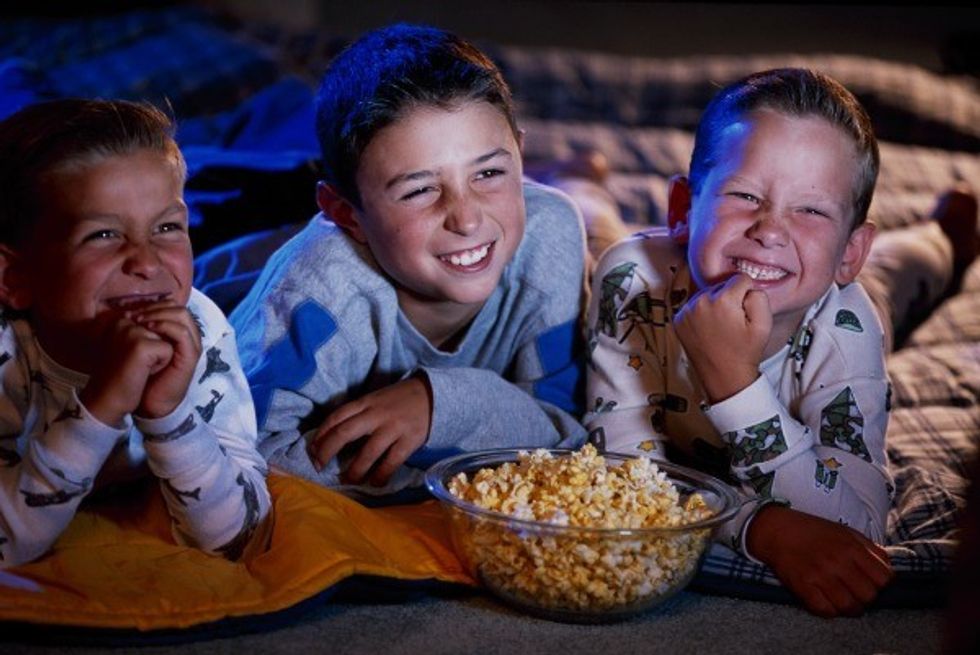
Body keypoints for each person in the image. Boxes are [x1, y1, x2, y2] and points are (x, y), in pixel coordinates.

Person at [584, 67, 976, 617]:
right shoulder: (629, 283)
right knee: (594, 229)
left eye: (811, 209)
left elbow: (856, 528)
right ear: (683, 209)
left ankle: (945, 234)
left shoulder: (846, 328)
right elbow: (620, 476)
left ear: (849, 253)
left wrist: (734, 385)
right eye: (744, 194)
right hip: (664, 261)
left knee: (903, 272)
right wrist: (757, 527)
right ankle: (582, 179)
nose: (769, 230)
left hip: (840, 301)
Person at [229, 24, 588, 496]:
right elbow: (238, 461)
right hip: (241, 262)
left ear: (519, 156)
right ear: (346, 214)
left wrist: (443, 406)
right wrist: (449, 464)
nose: (466, 219)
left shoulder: (551, 235)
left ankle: (580, 173)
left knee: (592, 213)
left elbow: (569, 436)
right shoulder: (315, 295)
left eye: (489, 172)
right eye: (419, 190)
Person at [0, 99, 273, 568]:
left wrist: (169, 414)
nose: (146, 262)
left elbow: (242, 538)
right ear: (15, 278)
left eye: (167, 227)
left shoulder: (198, 328)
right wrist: (100, 409)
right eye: (103, 235)